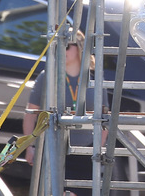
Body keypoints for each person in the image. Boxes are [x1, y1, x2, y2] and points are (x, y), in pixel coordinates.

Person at [23, 30, 94, 196]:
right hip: (54, 150)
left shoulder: (94, 79)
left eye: (68, 46)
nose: (63, 50)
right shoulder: (46, 76)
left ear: (80, 48)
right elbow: (30, 114)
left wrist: (100, 149)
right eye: (58, 46)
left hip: (86, 152)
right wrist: (30, 147)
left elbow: (105, 118)